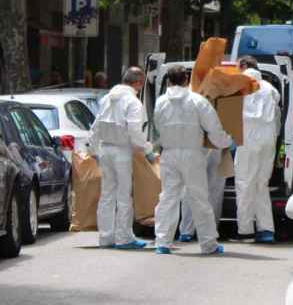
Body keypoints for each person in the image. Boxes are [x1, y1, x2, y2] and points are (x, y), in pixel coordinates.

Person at [153, 65, 232, 255]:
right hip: (192, 154)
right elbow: (213, 128)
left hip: (169, 154)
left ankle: (162, 242)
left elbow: (157, 127)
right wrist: (226, 142)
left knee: (168, 199)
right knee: (199, 199)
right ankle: (208, 244)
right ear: (186, 79)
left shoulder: (161, 102)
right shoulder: (198, 101)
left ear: (169, 81)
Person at [90, 67, 151, 249]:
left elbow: (95, 127)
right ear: (138, 83)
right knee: (124, 195)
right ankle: (124, 238)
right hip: (122, 152)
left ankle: (106, 237)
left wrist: (94, 151)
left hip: (105, 150)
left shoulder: (107, 98)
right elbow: (134, 131)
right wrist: (147, 149)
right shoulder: (133, 102)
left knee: (107, 195)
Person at [234, 56, 281, 243]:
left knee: (245, 184)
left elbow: (230, 115)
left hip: (247, 139)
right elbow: (277, 117)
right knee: (261, 185)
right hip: (268, 141)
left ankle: (245, 231)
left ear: (244, 66)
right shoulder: (271, 89)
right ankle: (266, 229)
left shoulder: (238, 85)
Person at [178, 150, 226, 243]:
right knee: (214, 190)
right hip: (216, 144)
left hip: (194, 146)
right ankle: (210, 231)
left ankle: (187, 231)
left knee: (191, 188)